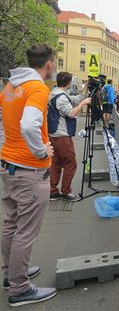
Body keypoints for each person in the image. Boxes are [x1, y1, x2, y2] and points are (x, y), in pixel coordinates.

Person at [0, 43, 57, 306]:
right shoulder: (37, 88)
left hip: (9, 164)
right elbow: (29, 125)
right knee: (25, 230)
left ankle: (11, 275)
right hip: (29, 169)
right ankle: (20, 288)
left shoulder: (11, 86)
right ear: (49, 63)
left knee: (11, 222)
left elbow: (5, 124)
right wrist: (41, 153)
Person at [48, 72, 91, 202]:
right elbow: (72, 113)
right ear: (69, 82)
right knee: (70, 163)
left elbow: (75, 99)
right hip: (62, 134)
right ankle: (66, 192)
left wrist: (86, 87)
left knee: (55, 163)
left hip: (54, 133)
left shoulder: (55, 93)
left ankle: (53, 191)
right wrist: (83, 103)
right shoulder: (61, 97)